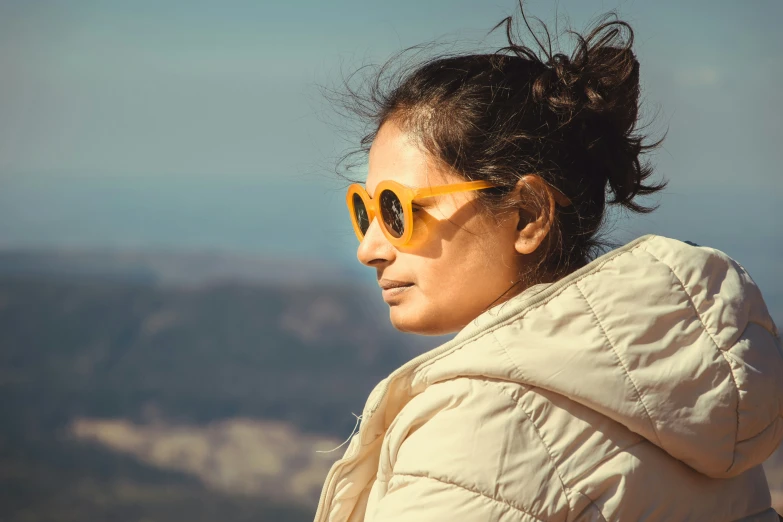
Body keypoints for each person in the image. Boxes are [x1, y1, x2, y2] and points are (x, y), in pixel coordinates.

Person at [314, 5, 783, 521]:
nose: (370, 248)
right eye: (365, 209)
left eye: (399, 211)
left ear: (526, 216)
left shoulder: (479, 430)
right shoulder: (695, 412)